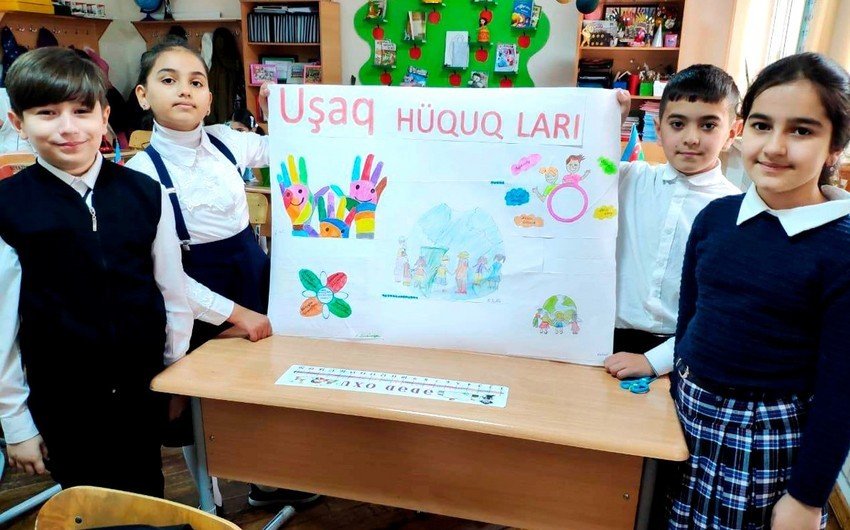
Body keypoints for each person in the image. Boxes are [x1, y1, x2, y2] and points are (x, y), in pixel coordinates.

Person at [124, 36, 318, 508]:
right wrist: (234, 314)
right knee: (200, 403)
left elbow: (285, 149)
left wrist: (274, 110)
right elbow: (166, 276)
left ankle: (265, 481)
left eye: (196, 82)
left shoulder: (227, 141)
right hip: (197, 297)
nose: (184, 90)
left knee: (262, 387)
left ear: (210, 98)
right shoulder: (141, 173)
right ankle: (208, 498)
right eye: (168, 80)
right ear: (143, 95)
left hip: (253, 275)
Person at [668, 52, 850, 530]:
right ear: (743, 129)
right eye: (762, 125)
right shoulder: (715, 218)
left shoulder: (841, 248)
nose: (774, 146)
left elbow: (842, 388)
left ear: (835, 146)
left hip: (764, 439)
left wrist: (807, 498)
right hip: (686, 415)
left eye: (802, 130)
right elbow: (690, 317)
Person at [0, 47, 192, 497]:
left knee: (146, 495)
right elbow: (2, 326)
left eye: (82, 111)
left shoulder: (144, 192)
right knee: (87, 502)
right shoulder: (9, 207)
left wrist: (175, 376)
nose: (68, 127)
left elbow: (172, 291)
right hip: (63, 394)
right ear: (17, 122)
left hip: (143, 385)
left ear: (105, 117)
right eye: (47, 113)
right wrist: (15, 422)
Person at [603, 64, 742, 380]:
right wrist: (609, 125)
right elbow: (581, 171)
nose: (691, 138)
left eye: (708, 125)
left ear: (732, 133)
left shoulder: (736, 209)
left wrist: (655, 361)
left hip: (686, 352)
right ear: (658, 127)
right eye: (677, 124)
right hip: (607, 337)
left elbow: (723, 307)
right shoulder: (628, 179)